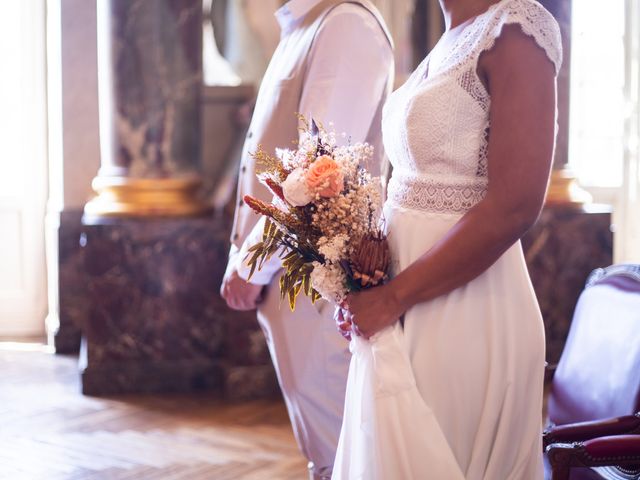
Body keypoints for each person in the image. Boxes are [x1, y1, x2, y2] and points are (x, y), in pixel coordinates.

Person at [336, 0, 561, 477]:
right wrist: (363, 277)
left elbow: (515, 205)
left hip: (467, 308)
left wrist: (393, 296)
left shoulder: (516, 29)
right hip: (400, 301)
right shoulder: (450, 34)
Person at [219, 1, 394, 479]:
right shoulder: (305, 24)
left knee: (343, 454)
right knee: (327, 453)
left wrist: (250, 266)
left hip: (316, 286)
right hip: (291, 277)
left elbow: (313, 175)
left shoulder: (345, 27)